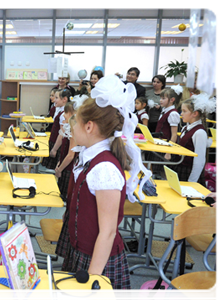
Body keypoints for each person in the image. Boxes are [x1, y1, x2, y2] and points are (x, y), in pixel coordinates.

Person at [63, 75, 151, 300]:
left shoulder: (105, 169)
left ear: (89, 126)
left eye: (74, 123)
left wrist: (93, 278)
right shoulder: (90, 156)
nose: (70, 129)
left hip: (98, 261)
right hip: (83, 250)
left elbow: (108, 231)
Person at [171, 94, 216, 182]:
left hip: (189, 173)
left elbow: (199, 160)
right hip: (179, 168)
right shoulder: (185, 128)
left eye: (184, 111)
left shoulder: (199, 132)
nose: (181, 114)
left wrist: (192, 181)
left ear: (195, 113)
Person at [42, 89, 71, 170]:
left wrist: (54, 149)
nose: (54, 100)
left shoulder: (64, 115)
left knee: (53, 169)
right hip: (54, 142)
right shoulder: (59, 110)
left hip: (57, 144)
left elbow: (61, 134)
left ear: (64, 99)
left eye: (56, 98)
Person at [55, 101, 77, 196]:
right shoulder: (69, 128)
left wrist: (60, 170)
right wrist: (59, 163)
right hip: (65, 166)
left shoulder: (74, 132)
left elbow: (70, 155)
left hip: (68, 169)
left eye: (66, 112)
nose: (63, 115)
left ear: (73, 114)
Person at [155, 87, 182, 159]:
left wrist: (168, 152)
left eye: (163, 98)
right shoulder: (164, 110)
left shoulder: (173, 113)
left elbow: (174, 135)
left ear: (172, 100)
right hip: (159, 144)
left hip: (166, 147)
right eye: (160, 98)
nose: (160, 100)